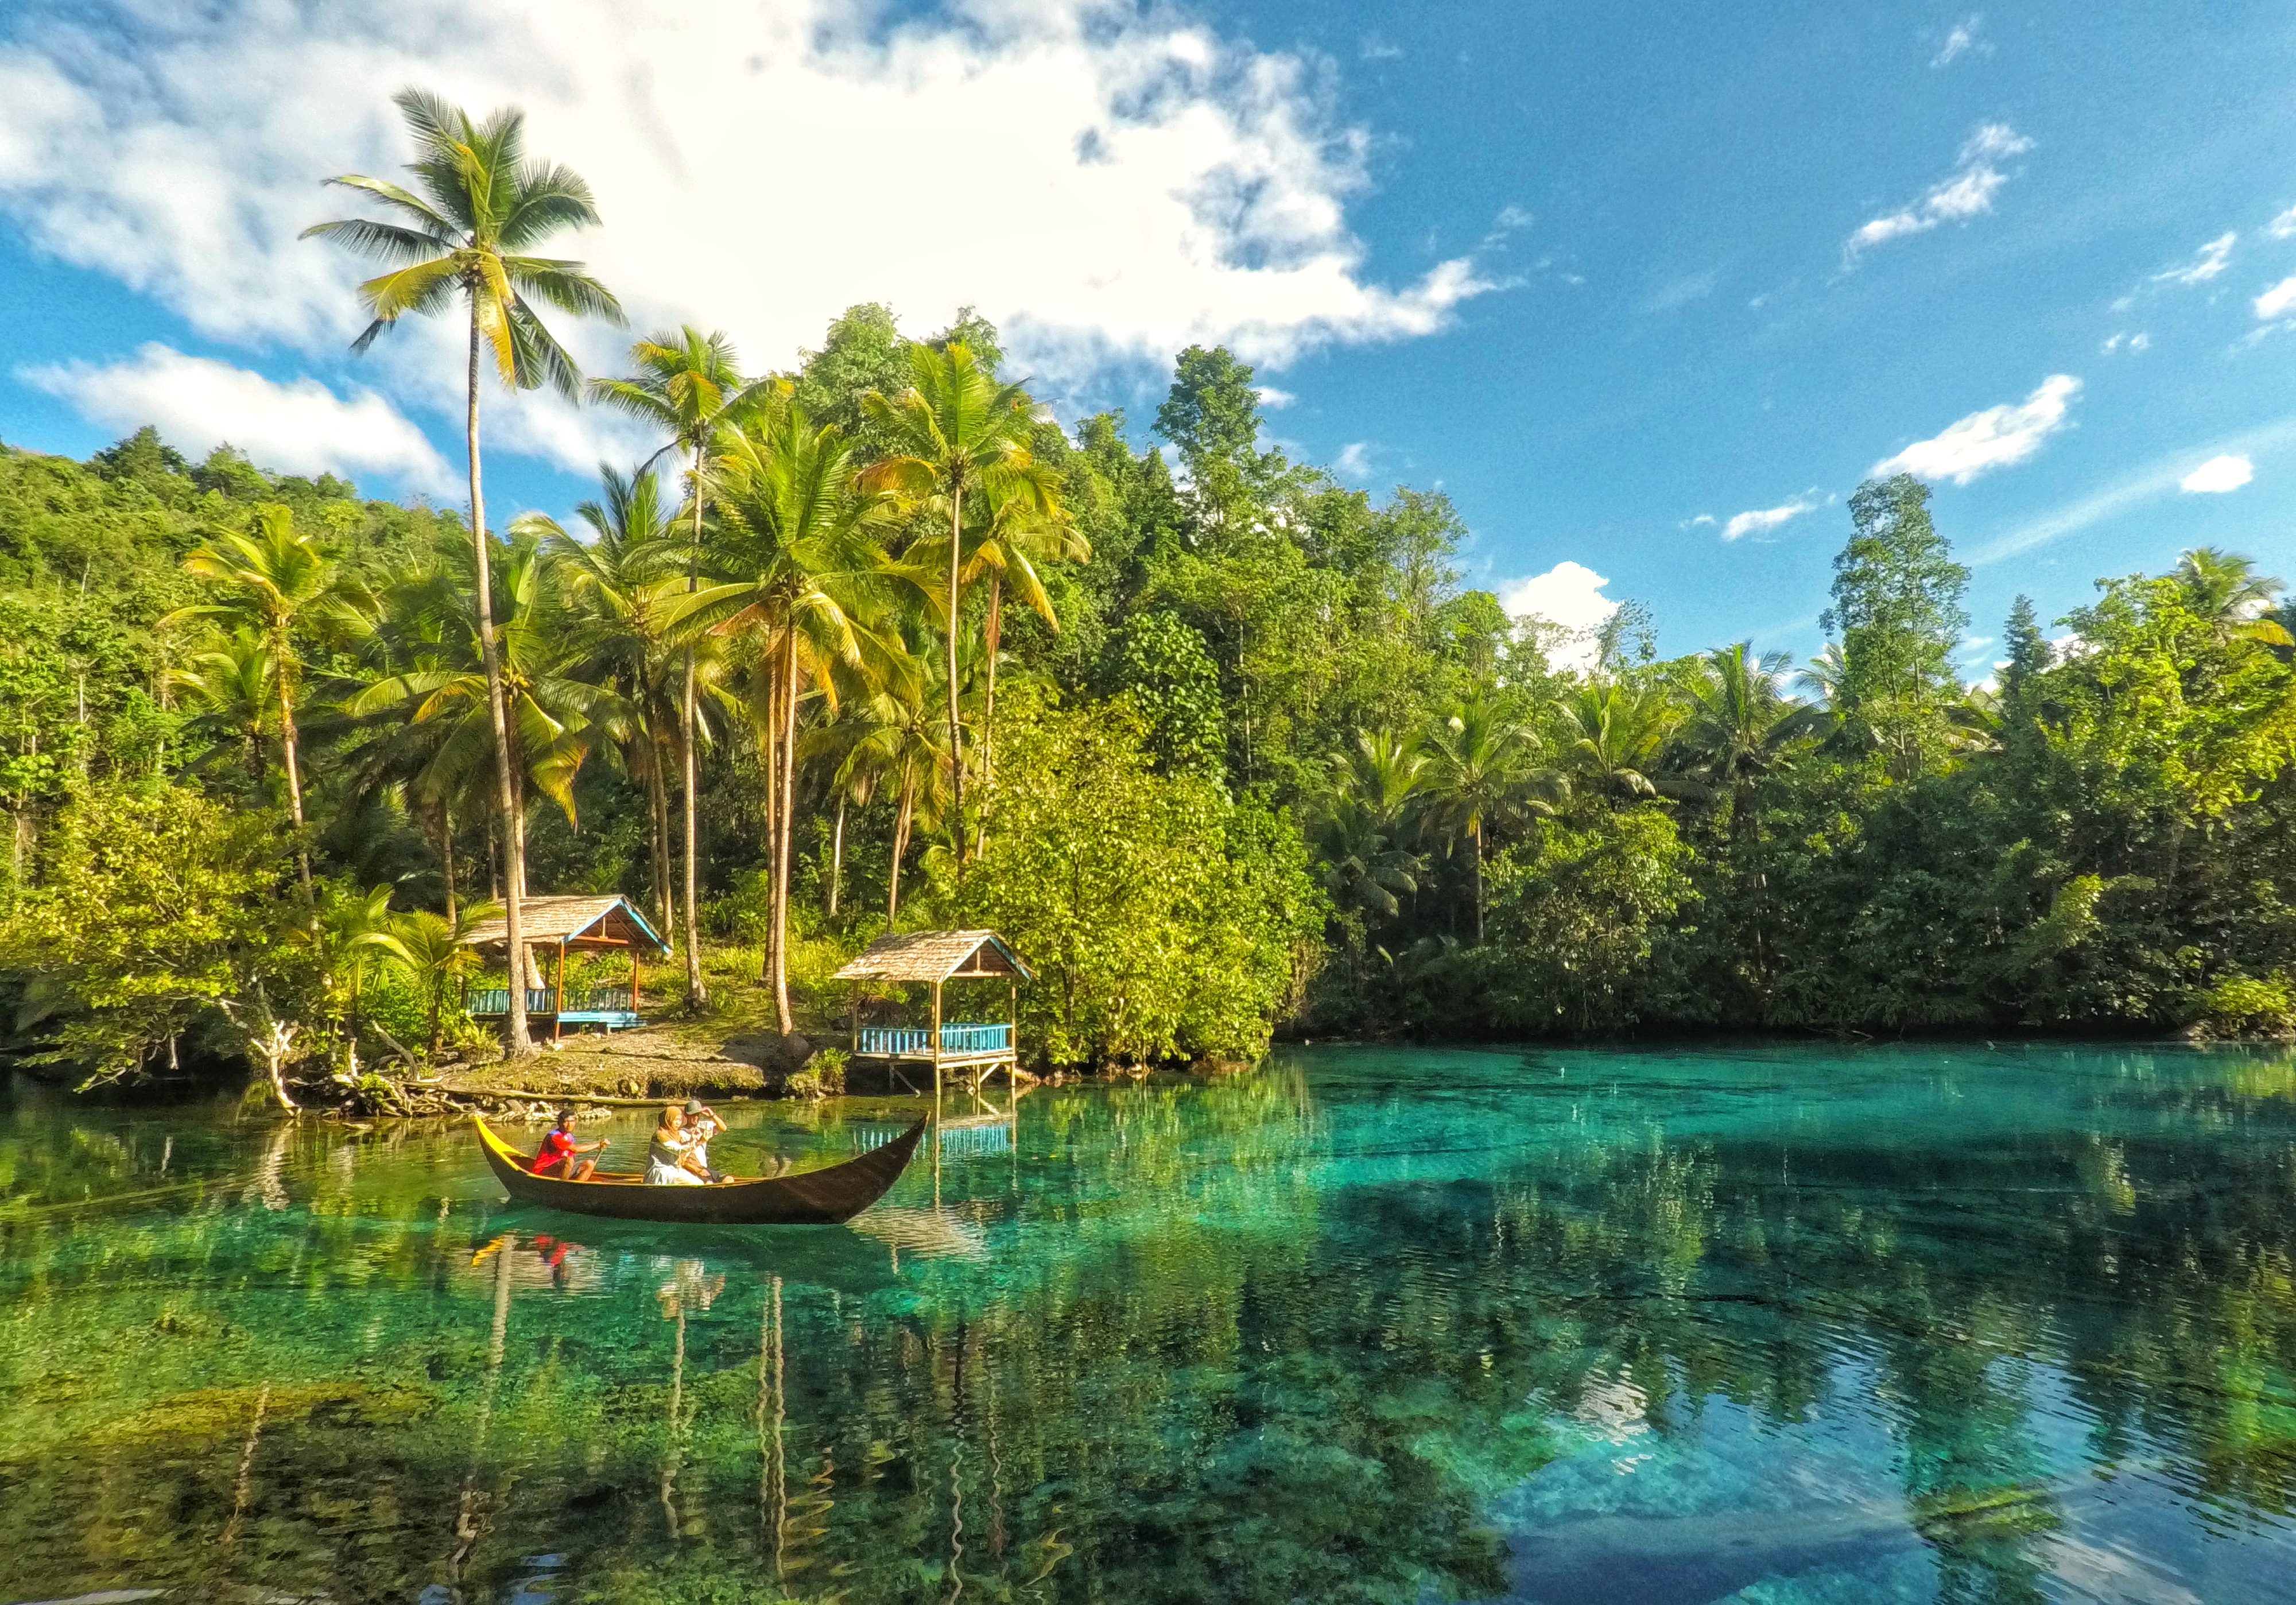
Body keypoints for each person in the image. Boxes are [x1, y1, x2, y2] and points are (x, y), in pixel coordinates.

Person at [529, 1109, 606, 1181]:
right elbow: (576, 1149)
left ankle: (577, 1187)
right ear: (560, 1123)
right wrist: (598, 1145)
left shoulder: (569, 1137)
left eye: (572, 1121)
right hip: (543, 1171)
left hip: (561, 1170)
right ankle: (564, 1186)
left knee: (590, 1164)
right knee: (568, 1160)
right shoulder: (555, 1137)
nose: (570, 1125)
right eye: (567, 1122)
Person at [645, 1104, 708, 1185]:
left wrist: (694, 1140)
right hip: (661, 1171)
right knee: (695, 1184)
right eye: (676, 1120)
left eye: (681, 1120)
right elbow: (678, 1150)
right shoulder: (660, 1135)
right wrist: (699, 1142)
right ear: (669, 1119)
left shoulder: (677, 1135)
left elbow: (685, 1154)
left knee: (700, 1182)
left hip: (675, 1169)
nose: (679, 1123)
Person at [682, 1098, 728, 1183]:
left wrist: (712, 1115)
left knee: (729, 1179)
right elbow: (682, 1158)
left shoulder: (704, 1125)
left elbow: (724, 1128)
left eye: (698, 1115)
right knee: (709, 1183)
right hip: (691, 1169)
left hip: (704, 1168)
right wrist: (701, 1141)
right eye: (692, 1115)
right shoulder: (681, 1132)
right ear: (686, 1115)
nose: (696, 1118)